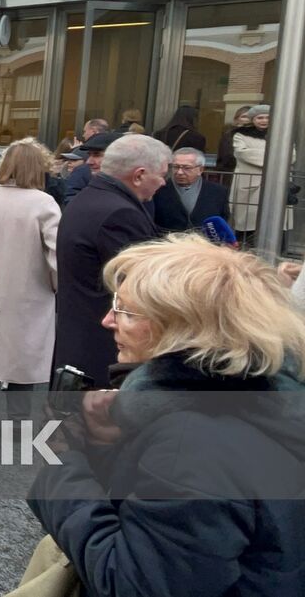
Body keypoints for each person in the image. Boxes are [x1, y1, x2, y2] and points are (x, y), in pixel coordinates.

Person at [28, 235, 305, 596]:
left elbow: (134, 584)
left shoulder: (193, 443)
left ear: (181, 328)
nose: (108, 319)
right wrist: (116, 446)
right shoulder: (267, 398)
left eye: (125, 309)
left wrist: (63, 464)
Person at [52, 134, 169, 387]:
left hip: (78, 341)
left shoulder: (89, 198)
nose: (163, 183)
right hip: (103, 350)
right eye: (161, 175)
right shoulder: (119, 213)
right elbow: (144, 287)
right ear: (138, 175)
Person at [0, 139, 59, 419]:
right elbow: (57, 255)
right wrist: (56, 285)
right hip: (29, 293)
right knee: (22, 360)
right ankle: (17, 422)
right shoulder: (44, 204)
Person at [152, 147, 232, 235]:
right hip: (167, 244)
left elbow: (222, 222)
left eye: (186, 168)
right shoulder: (157, 190)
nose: (179, 172)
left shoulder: (218, 192)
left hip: (204, 245)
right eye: (176, 167)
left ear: (200, 170)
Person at [229, 104, 275, 244]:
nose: (264, 121)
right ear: (253, 119)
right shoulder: (240, 134)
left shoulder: (281, 133)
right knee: (247, 224)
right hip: (249, 186)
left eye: (267, 117)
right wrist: (276, 156)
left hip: (274, 184)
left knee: (274, 221)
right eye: (260, 117)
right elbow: (242, 153)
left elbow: (291, 156)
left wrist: (257, 154)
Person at [62, 131, 120, 205]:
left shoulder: (134, 180)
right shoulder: (83, 172)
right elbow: (71, 200)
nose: (89, 161)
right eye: (89, 155)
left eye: (97, 155)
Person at [214, 104, 253, 173]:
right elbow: (227, 155)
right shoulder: (229, 135)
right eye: (244, 116)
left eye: (250, 117)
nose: (247, 119)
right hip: (230, 171)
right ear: (237, 119)